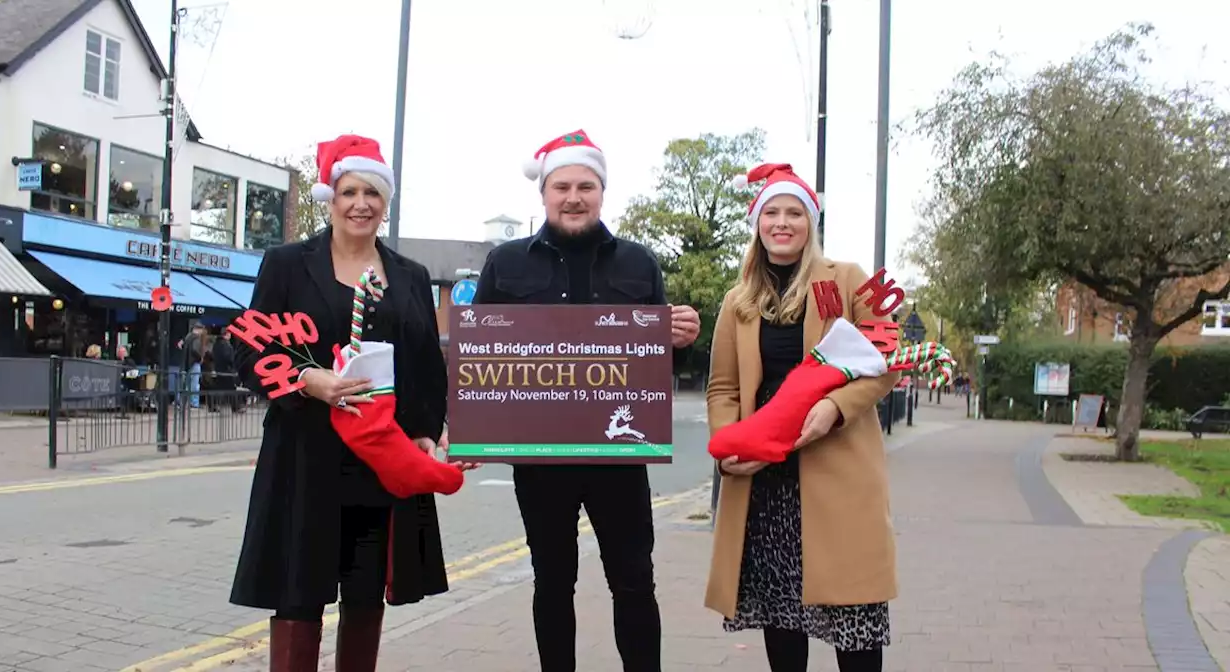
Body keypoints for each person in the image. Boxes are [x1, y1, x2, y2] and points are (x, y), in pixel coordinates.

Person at [228, 134, 477, 672]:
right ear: (331, 198)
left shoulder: (409, 275)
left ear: (385, 203)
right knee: (298, 596)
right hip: (305, 457)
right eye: (349, 191)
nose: (360, 203)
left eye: (371, 192)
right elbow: (249, 348)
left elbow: (428, 370)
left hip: (382, 461)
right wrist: (305, 379)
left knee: (366, 594)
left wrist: (429, 434)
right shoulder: (288, 265)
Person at [472, 129, 701, 672]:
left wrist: (683, 340)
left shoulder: (639, 264)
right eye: (562, 186)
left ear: (602, 191)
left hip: (618, 458)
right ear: (544, 193)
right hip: (541, 459)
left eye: (586, 186)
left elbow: (660, 361)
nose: (574, 197)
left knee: (634, 580)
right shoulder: (505, 264)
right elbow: (480, 355)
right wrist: (470, 424)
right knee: (552, 580)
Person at [703, 163, 898, 672]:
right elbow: (722, 388)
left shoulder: (850, 279)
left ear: (811, 223)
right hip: (766, 478)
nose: (782, 222)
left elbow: (887, 359)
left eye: (794, 212)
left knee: (855, 623)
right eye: (772, 212)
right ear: (758, 223)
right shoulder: (736, 301)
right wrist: (730, 447)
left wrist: (836, 409)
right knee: (783, 622)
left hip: (838, 472)